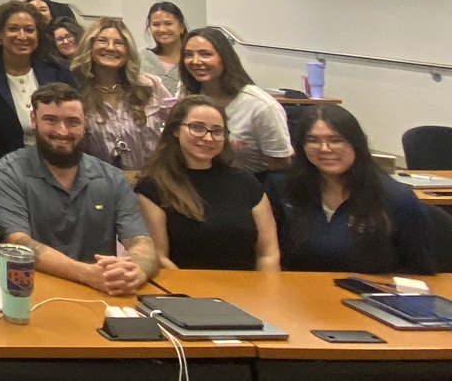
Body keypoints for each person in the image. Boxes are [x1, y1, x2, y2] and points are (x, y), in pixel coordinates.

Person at [0, 83, 158, 295]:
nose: (62, 131)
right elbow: (18, 243)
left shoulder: (111, 178)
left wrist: (136, 271)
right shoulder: (9, 172)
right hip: (33, 292)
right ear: (34, 121)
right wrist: (86, 274)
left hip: (101, 292)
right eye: (51, 120)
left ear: (85, 123)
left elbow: (141, 242)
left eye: (72, 122)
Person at [274, 105, 435, 274]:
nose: (325, 149)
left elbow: (420, 270)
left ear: (356, 144)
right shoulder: (284, 188)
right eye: (313, 141)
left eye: (335, 140)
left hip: (369, 295)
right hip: (299, 294)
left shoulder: (396, 198)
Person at [136, 96, 279, 271]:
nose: (208, 138)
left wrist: (266, 292)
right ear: (175, 130)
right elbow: (160, 258)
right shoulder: (152, 188)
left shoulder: (246, 182)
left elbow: (268, 254)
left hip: (247, 292)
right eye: (197, 128)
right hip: (185, 291)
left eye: (217, 131)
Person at [0, 0, 76, 183]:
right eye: (13, 29)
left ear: (38, 35)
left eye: (29, 30)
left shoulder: (59, 71)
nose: (22, 36)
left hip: (59, 169)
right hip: (4, 173)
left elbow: (73, 121)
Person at [180, 27, 292, 175]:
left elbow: (280, 167)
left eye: (205, 54)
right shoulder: (185, 93)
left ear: (224, 58)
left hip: (252, 186)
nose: (195, 61)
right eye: (188, 55)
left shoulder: (261, 106)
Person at [70, 18, 174, 171]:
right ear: (89, 47)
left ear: (128, 50)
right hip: (102, 184)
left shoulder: (150, 85)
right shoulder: (76, 91)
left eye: (119, 43)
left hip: (152, 181)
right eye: (102, 41)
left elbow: (179, 122)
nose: (111, 48)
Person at [147, 1, 189, 94]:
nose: (162, 29)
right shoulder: (141, 58)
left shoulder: (191, 59)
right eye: (156, 24)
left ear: (181, 27)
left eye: (168, 23)